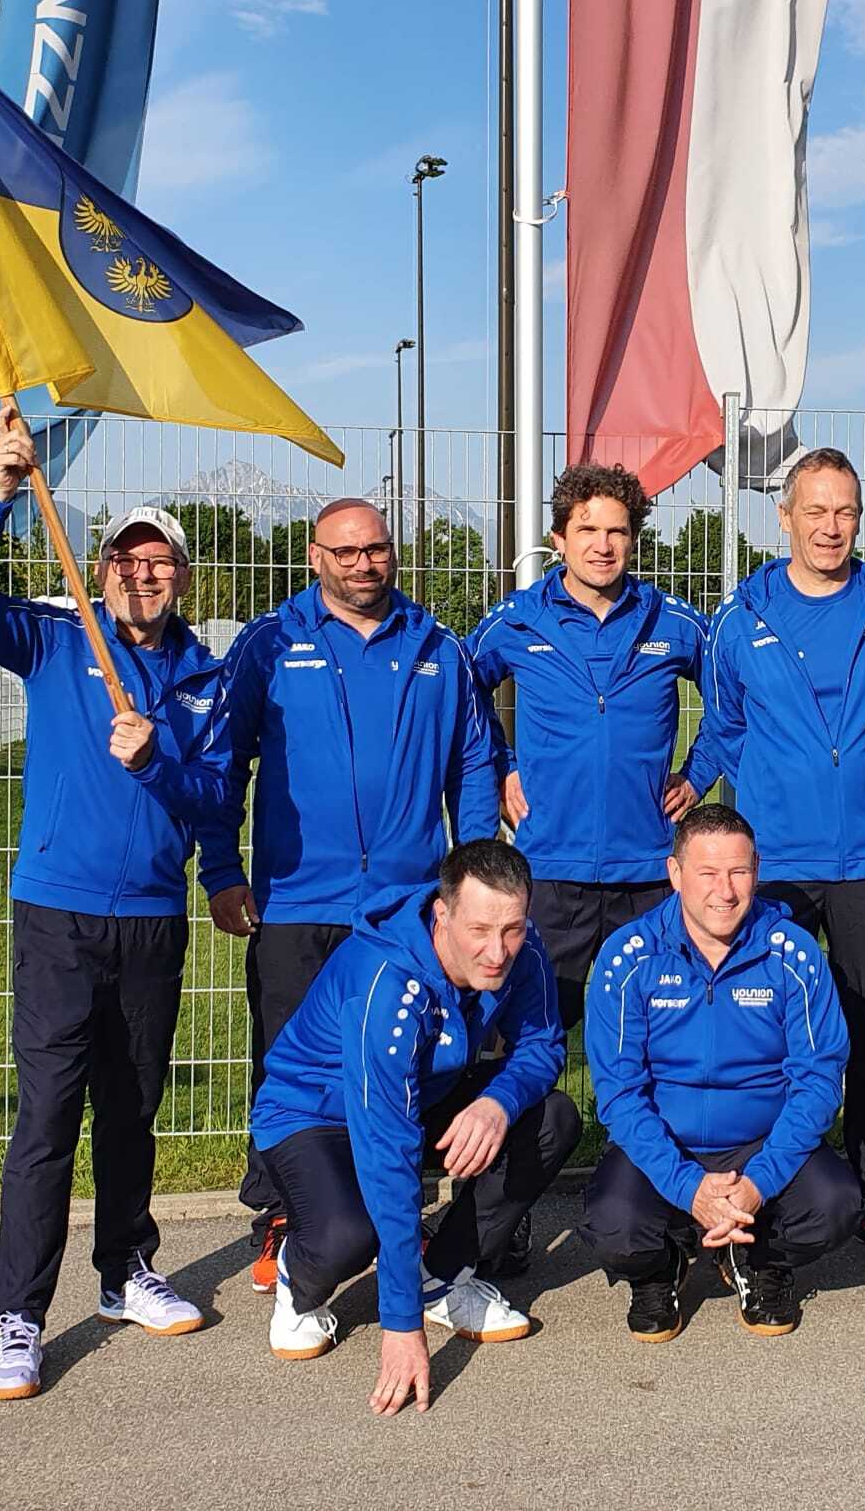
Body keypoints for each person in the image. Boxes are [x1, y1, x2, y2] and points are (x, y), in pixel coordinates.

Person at [0, 409, 231, 1403]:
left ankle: (125, 1272)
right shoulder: (59, 641)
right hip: (57, 914)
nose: (142, 575)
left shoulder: (206, 679)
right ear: (100, 572)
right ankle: (19, 1315)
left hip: (151, 917)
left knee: (132, 1107)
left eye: (159, 563)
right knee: (50, 1114)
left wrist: (157, 765)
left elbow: (213, 798)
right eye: (125, 561)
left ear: (182, 577)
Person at [197, 497, 500, 1292]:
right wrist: (221, 869)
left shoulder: (438, 647)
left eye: (376, 549)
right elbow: (225, 761)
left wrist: (470, 876)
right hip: (298, 904)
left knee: (411, 1059)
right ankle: (283, 1216)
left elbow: (473, 764)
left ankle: (403, 1206)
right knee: (290, 1065)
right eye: (346, 552)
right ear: (314, 556)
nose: (364, 564)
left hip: (405, 911)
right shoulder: (270, 642)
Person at [701, 447, 865, 1264]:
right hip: (774, 861)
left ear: (859, 519)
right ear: (785, 518)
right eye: (815, 511)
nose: (830, 527)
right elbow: (726, 726)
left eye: (844, 512)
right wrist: (780, 791)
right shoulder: (743, 617)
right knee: (767, 1033)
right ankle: (762, 1193)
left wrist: (864, 782)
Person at [249, 840, 580, 1417]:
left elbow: (543, 1044)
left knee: (552, 1118)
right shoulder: (386, 983)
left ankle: (442, 1276)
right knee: (351, 1236)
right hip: (314, 1113)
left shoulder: (522, 949)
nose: (498, 951)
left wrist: (497, 1103)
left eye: (512, 929)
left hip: (421, 1094)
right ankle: (297, 1277)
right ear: (442, 915)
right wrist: (400, 1328)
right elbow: (389, 1151)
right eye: (480, 931)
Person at [581, 804, 858, 1341]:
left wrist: (758, 1183)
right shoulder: (629, 957)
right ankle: (662, 1266)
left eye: (738, 872)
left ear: (757, 870)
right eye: (707, 873)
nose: (725, 891)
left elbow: (819, 1082)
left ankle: (758, 1261)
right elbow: (619, 1093)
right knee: (614, 1227)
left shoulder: (794, 953)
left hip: (761, 1142)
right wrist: (689, 1188)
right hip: (666, 1141)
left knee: (834, 1206)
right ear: (675, 873)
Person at [468, 461, 720, 1032]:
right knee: (532, 1035)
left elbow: (734, 701)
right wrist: (502, 765)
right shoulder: (518, 621)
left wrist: (697, 773)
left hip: (649, 870)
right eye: (587, 530)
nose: (602, 546)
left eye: (616, 531)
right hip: (551, 868)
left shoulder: (673, 622)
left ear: (633, 539)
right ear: (559, 539)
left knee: (659, 1037)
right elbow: (461, 697)